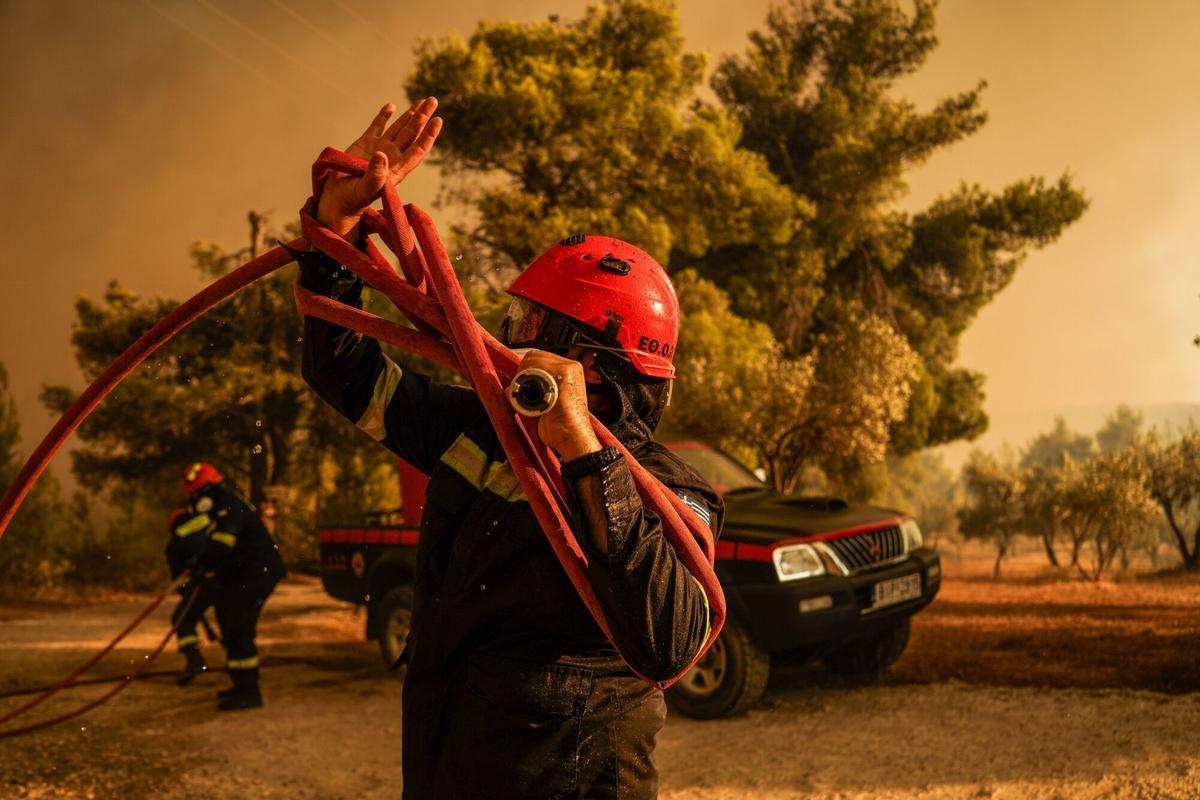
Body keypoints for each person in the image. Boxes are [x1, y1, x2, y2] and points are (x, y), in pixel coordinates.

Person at [294, 98, 722, 798]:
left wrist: (585, 450)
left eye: (528, 322)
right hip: (449, 765)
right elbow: (347, 373)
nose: (505, 332)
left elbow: (670, 641)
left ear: (587, 357)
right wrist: (334, 234)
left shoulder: (673, 491)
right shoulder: (482, 430)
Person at [181, 461, 286, 711]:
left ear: (207, 492)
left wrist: (200, 564)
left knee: (239, 626)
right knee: (229, 621)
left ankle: (250, 693)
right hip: (243, 575)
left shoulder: (228, 506)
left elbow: (222, 545)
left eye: (196, 495)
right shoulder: (218, 510)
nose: (194, 502)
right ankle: (240, 685)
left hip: (258, 573)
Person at [164, 506, 220, 685]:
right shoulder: (209, 525)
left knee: (181, 618)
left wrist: (186, 588)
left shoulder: (176, 542)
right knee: (229, 619)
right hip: (229, 579)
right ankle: (240, 665)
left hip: (202, 583)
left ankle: (195, 660)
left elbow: (180, 579)